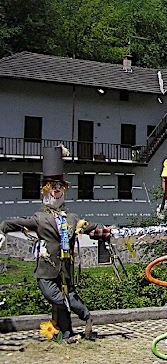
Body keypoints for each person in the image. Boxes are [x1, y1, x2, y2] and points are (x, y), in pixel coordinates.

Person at [0, 146, 109, 343]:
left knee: (70, 297)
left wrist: (109, 232)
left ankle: (72, 329)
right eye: (52, 187)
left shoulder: (72, 218)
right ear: (45, 192)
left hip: (66, 268)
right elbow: (15, 223)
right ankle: (67, 327)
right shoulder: (40, 218)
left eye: (60, 187)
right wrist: (2, 230)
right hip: (46, 268)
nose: (56, 191)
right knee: (56, 297)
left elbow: (91, 227)